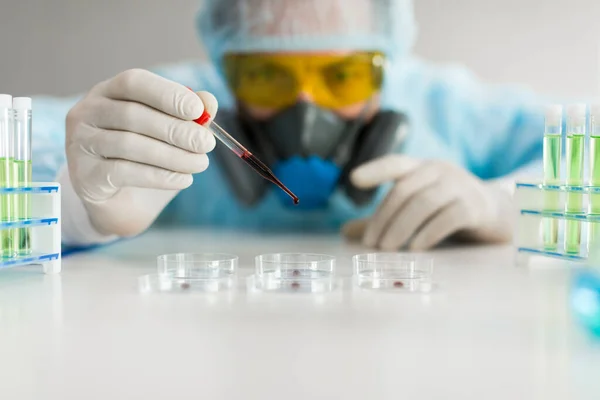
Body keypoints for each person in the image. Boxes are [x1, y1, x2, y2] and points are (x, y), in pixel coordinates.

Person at [33, 0, 544, 252]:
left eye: (342, 76)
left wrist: (506, 205)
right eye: (265, 76)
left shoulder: (442, 107)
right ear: (227, 69)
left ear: (386, 67)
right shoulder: (180, 107)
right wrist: (79, 208)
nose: (305, 111)